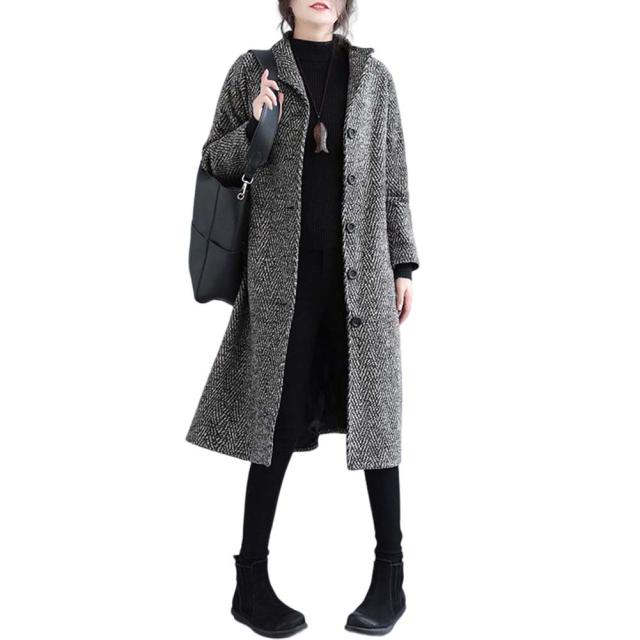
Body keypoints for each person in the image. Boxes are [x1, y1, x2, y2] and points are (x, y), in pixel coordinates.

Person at [187, 1, 419, 636]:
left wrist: (403, 263)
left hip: (361, 279)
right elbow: (214, 161)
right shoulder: (254, 70)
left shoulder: (374, 78)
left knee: (377, 424)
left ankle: (390, 577)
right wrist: (256, 125)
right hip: (281, 283)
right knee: (275, 422)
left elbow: (393, 177)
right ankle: (250, 582)